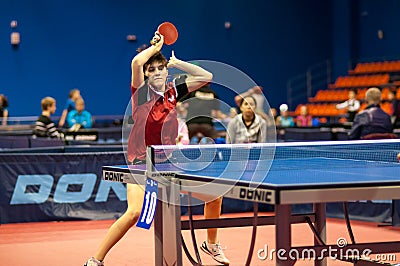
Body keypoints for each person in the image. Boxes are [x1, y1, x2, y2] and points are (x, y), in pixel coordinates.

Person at [84, 32, 230, 266]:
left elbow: (206, 76)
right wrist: (156, 48)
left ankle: (211, 244)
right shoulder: (140, 93)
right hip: (141, 164)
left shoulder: (173, 92)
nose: (157, 72)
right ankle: (96, 260)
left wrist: (176, 63)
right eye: (152, 70)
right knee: (133, 212)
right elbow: (136, 62)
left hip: (169, 163)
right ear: (145, 75)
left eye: (161, 68)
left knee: (215, 197)